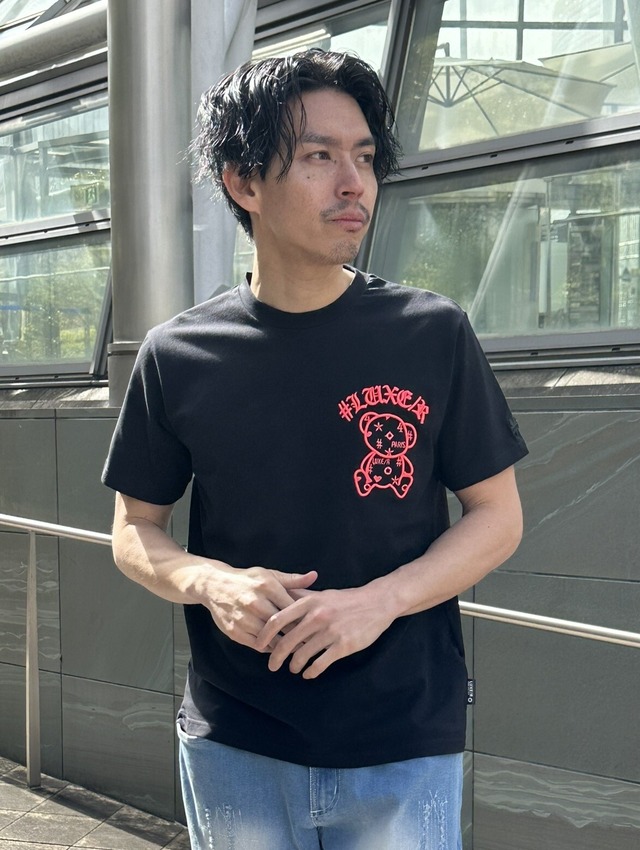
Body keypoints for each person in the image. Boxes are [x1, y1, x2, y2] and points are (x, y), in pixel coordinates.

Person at [102, 49, 528, 850]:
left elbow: (497, 516)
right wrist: (209, 582)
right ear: (243, 182)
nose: (354, 183)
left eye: (364, 156)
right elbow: (134, 529)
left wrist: (380, 601)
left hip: (403, 739)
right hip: (236, 741)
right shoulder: (177, 354)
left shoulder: (431, 332)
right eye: (319, 157)